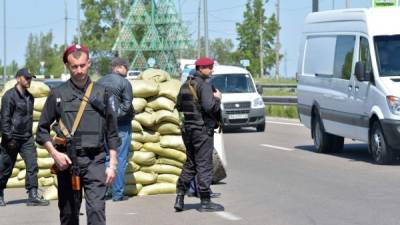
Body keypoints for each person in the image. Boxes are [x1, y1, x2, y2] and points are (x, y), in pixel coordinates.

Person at [36, 44, 120, 225]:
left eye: (82, 65)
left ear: (89, 63)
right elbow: (41, 130)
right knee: (68, 215)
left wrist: (112, 164)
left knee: (97, 212)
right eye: (74, 66)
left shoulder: (102, 93)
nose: (79, 70)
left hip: (95, 160)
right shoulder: (57, 94)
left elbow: (112, 132)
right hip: (67, 162)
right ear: (67, 66)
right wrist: (55, 154)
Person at [174, 57, 224, 212]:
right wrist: (218, 99)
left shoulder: (184, 86)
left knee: (190, 164)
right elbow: (210, 107)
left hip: (188, 130)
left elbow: (179, 106)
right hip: (201, 131)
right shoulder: (204, 85)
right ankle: (205, 201)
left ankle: (180, 196)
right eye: (209, 67)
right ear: (201, 69)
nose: (212, 70)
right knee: (204, 165)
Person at [0, 68, 50, 207]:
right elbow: (4, 119)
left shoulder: (30, 97)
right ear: (18, 79)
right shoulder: (9, 96)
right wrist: (8, 138)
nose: (29, 81)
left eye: (30, 78)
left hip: (26, 137)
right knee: (5, 168)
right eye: (26, 78)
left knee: (32, 165)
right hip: (12, 138)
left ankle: (33, 195)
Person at [97, 57, 134, 202]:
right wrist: (115, 117)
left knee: (106, 158)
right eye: (126, 67)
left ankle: (105, 191)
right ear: (119, 67)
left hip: (104, 126)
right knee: (120, 159)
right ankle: (117, 194)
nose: (127, 70)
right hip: (121, 126)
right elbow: (126, 105)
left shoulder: (99, 82)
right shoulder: (125, 83)